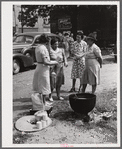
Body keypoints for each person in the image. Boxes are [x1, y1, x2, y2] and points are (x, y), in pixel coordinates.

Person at [32, 34, 58, 107]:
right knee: (44, 86)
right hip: (43, 69)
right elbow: (45, 62)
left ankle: (43, 102)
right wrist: (55, 62)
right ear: (46, 41)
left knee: (40, 85)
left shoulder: (37, 47)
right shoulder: (43, 48)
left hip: (39, 67)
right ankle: (43, 103)